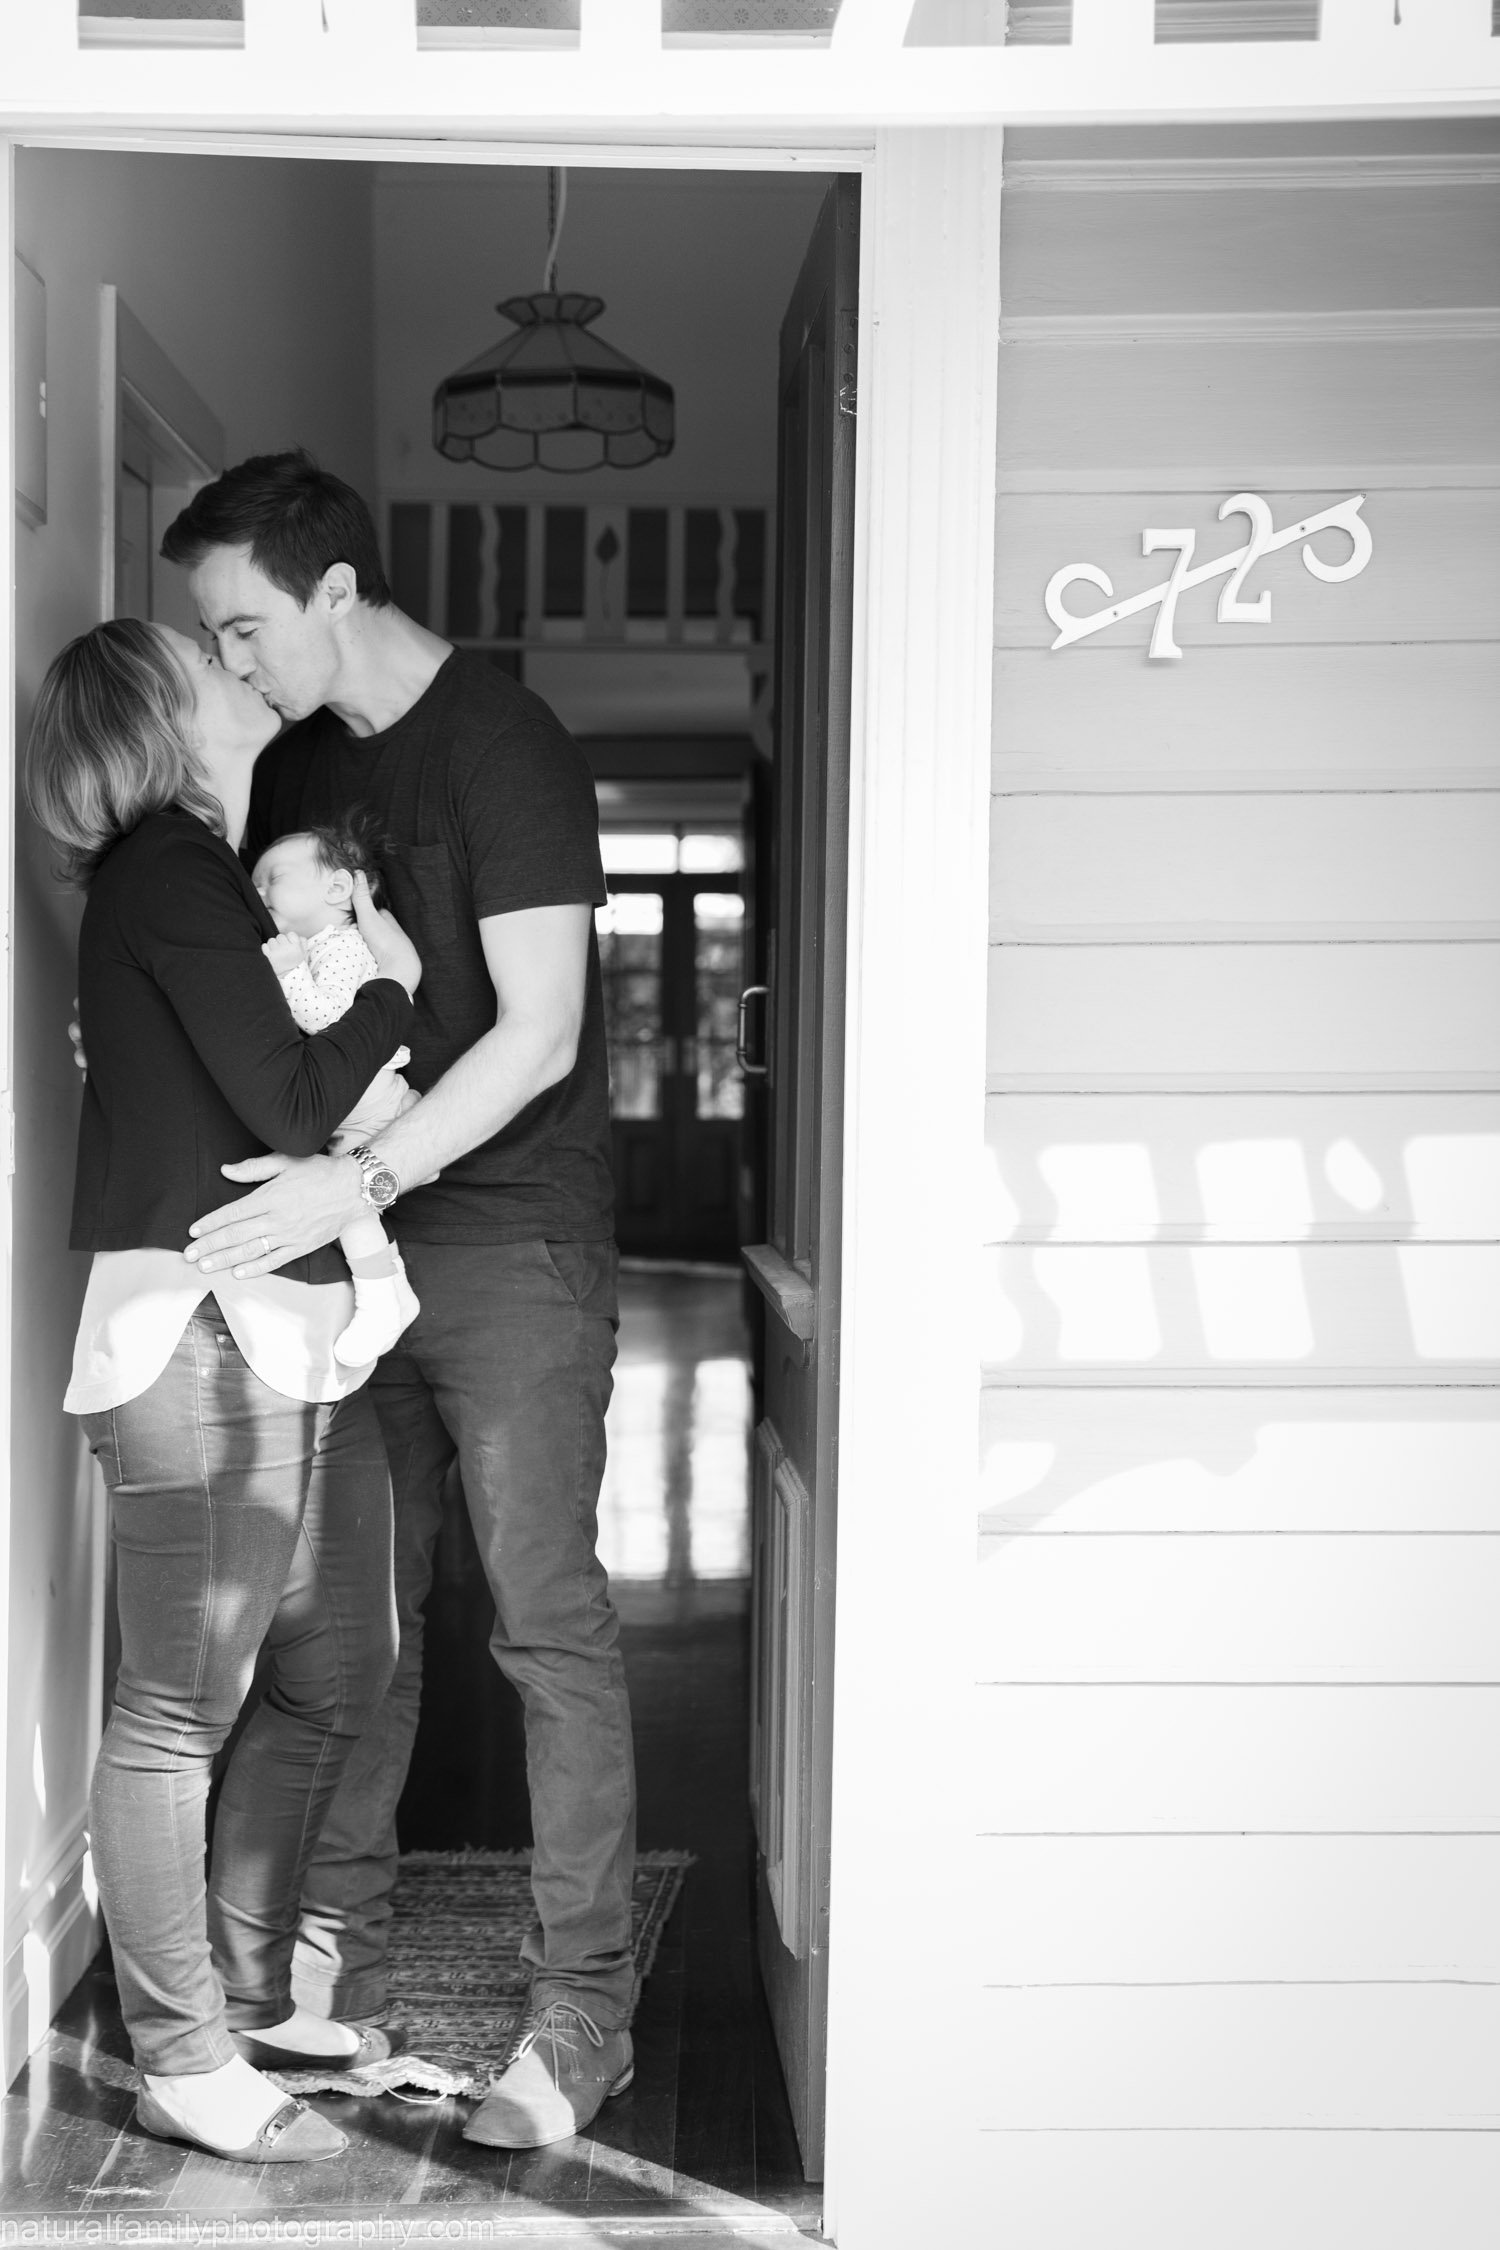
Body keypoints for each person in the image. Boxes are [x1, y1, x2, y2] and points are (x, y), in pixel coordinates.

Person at [162, 451, 636, 2151]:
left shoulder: (505, 746)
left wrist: (356, 1177)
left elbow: (543, 1031)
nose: (229, 662)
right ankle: (320, 1984)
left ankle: (582, 2022)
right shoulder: (290, 760)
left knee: (541, 1622)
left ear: (335, 594)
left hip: (510, 1245)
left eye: (242, 628)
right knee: (351, 1628)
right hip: (348, 1259)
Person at [27, 618, 422, 2163]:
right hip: (199, 1333)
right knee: (177, 1706)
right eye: (211, 661)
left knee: (342, 1658)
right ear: (159, 718)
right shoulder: (173, 873)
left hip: (280, 1326)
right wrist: (388, 986)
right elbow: (303, 1097)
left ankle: (244, 1990)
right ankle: (185, 2049)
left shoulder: (190, 880)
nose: (239, 675)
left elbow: (274, 1096)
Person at [252, 815, 420, 1367]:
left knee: (345, 1200)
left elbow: (330, 1020)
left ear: (335, 888)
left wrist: (288, 974)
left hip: (370, 1099)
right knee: (342, 1197)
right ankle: (389, 1294)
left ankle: (384, 1300)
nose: (258, 890)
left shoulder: (343, 946)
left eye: (272, 877)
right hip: (355, 1100)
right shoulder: (320, 944)